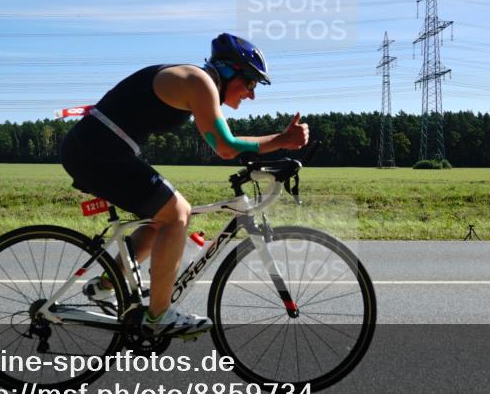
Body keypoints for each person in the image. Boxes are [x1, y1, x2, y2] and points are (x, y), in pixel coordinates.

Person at [59, 33, 309, 337]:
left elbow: (224, 143)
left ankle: (106, 285)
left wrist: (275, 149)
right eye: (251, 83)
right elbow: (226, 146)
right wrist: (281, 141)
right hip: (97, 151)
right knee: (177, 213)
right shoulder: (198, 81)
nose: (252, 94)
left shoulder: (196, 82)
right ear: (231, 71)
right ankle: (158, 317)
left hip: (99, 149)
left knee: (159, 221)